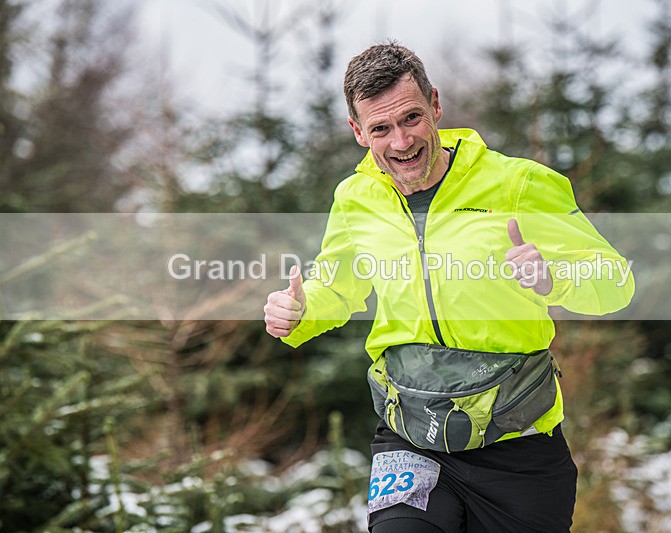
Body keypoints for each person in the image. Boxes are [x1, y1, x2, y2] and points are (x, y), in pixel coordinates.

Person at [264, 41, 634, 533]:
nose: (401, 142)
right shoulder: (356, 198)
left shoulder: (517, 183)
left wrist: (554, 276)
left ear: (435, 105)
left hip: (516, 443)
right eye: (380, 128)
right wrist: (299, 309)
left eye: (412, 118)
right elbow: (337, 288)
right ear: (358, 132)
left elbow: (615, 280)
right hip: (411, 433)